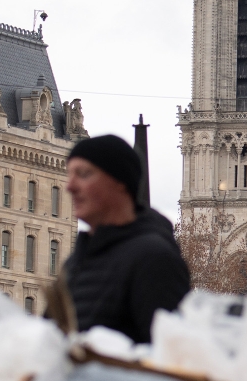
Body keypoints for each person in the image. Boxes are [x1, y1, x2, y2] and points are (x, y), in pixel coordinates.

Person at [57, 135, 190, 343]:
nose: (70, 186)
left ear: (119, 182)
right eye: (69, 174)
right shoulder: (74, 262)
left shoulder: (154, 259)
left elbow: (171, 352)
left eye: (83, 174)